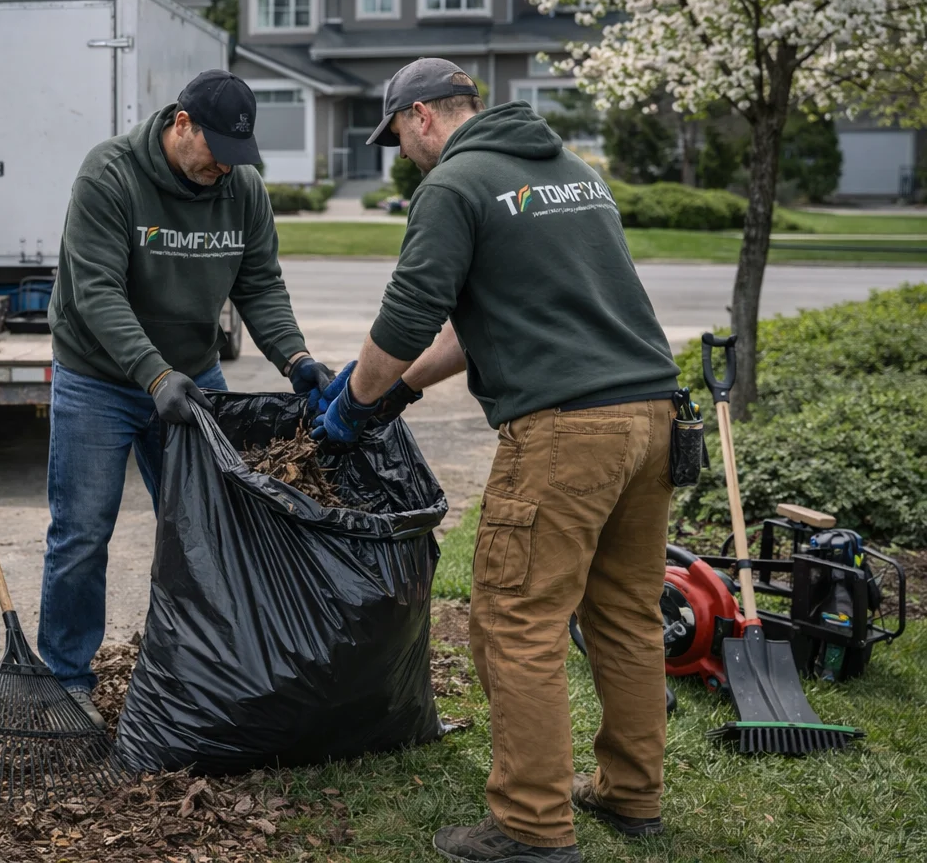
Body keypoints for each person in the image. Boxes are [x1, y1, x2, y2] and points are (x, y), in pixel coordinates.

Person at [313, 59, 679, 863]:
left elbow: (409, 315)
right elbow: (483, 320)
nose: (405, 154)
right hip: (652, 416)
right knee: (623, 616)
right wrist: (401, 389)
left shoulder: (453, 183)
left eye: (400, 138)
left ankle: (531, 826)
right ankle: (632, 794)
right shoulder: (569, 169)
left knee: (515, 621)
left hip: (566, 431)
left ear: (420, 118)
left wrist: (355, 405)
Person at [40, 69, 335, 725]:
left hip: (193, 375)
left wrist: (296, 357)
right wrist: (151, 374)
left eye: (237, 159)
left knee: (213, 526)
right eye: (215, 156)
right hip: (100, 378)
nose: (224, 172)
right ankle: (65, 679)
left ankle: (207, 666)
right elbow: (95, 294)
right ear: (181, 125)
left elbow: (259, 285)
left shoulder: (242, 189)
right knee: (83, 530)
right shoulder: (110, 175)